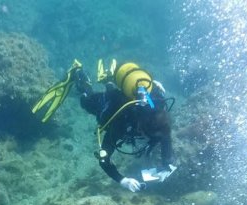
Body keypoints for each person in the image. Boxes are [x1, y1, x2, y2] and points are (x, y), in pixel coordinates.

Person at [33, 60, 176, 193]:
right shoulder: (120, 124)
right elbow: (104, 159)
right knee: (86, 102)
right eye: (144, 134)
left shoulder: (159, 118)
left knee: (116, 94)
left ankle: (109, 80)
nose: (144, 138)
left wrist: (166, 167)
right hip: (109, 104)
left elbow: (166, 138)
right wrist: (122, 180)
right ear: (139, 128)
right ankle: (78, 73)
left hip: (132, 92)